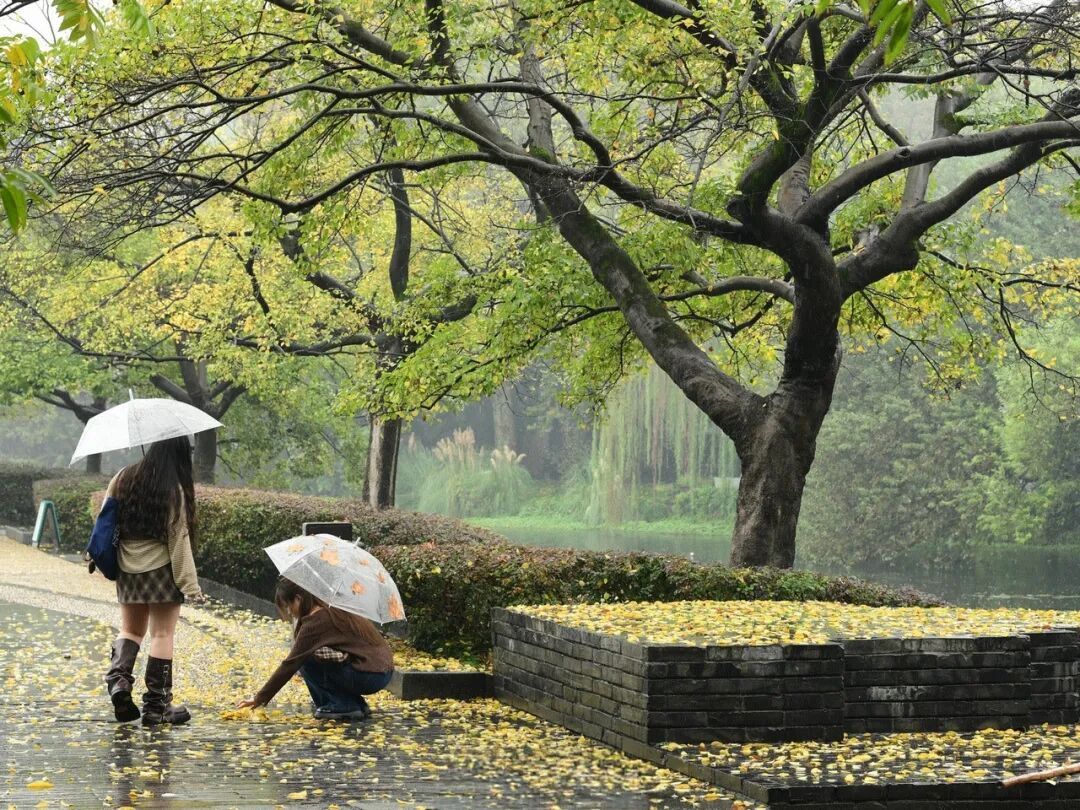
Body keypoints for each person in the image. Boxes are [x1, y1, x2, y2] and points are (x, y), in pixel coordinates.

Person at [102, 436, 204, 726]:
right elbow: (178, 540)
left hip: (127, 568)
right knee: (162, 634)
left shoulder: (122, 477)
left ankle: (119, 682)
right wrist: (191, 586)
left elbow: (106, 519)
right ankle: (156, 707)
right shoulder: (172, 489)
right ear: (178, 453)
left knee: (130, 631)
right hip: (161, 571)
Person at [236, 578, 394, 720]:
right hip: (381, 672)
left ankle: (339, 705)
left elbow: (290, 663)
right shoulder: (332, 606)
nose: (289, 612)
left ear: (298, 599)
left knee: (306, 659)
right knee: (319, 655)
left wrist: (260, 698)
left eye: (288, 606)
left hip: (369, 675)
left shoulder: (316, 620)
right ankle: (354, 704)